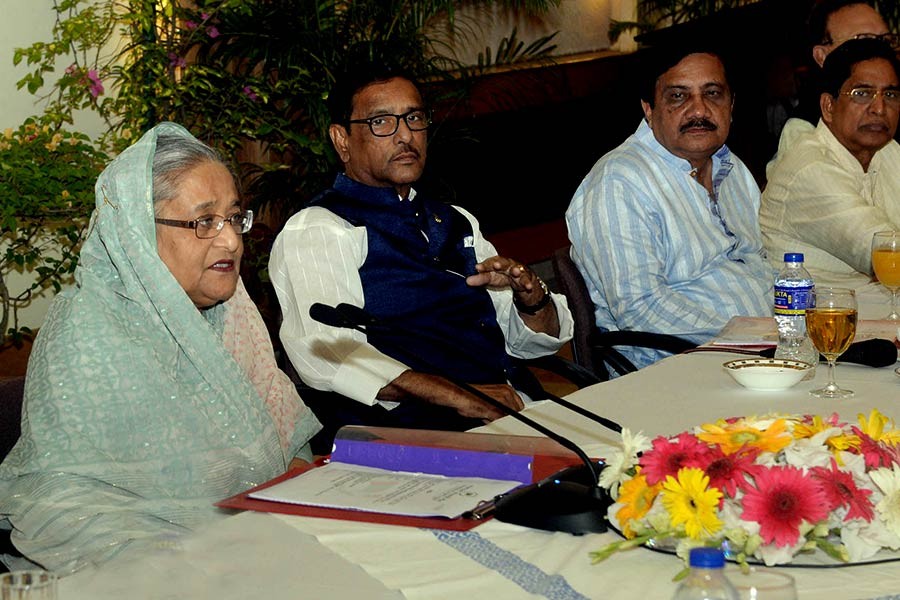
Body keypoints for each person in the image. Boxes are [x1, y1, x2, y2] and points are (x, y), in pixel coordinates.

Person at [0, 122, 321, 574]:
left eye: (234, 217)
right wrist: (182, 567)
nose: (230, 240)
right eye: (204, 221)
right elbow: (63, 502)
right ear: (137, 233)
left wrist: (296, 484)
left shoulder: (234, 312)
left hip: (267, 542)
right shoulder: (87, 328)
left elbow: (288, 439)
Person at [269, 62, 573, 452]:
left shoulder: (455, 220)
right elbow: (326, 353)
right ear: (342, 139)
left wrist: (532, 298)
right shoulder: (318, 229)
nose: (405, 136)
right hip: (411, 438)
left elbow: (529, 344)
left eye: (413, 118)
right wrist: (462, 397)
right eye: (381, 122)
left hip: (513, 412)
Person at [565, 43, 772, 372]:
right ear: (649, 109)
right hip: (677, 368)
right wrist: (756, 334)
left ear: (731, 105)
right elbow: (641, 308)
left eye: (713, 93)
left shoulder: (731, 167)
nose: (699, 110)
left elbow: (758, 265)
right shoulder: (621, 181)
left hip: (758, 354)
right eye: (678, 96)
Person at [760, 38, 900, 288]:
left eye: (890, 94)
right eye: (862, 94)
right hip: (815, 319)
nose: (879, 108)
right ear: (828, 106)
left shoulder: (888, 151)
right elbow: (887, 255)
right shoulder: (810, 168)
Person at [788, 0, 894, 127]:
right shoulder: (806, 131)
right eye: (863, 41)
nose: (880, 52)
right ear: (822, 56)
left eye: (886, 40)